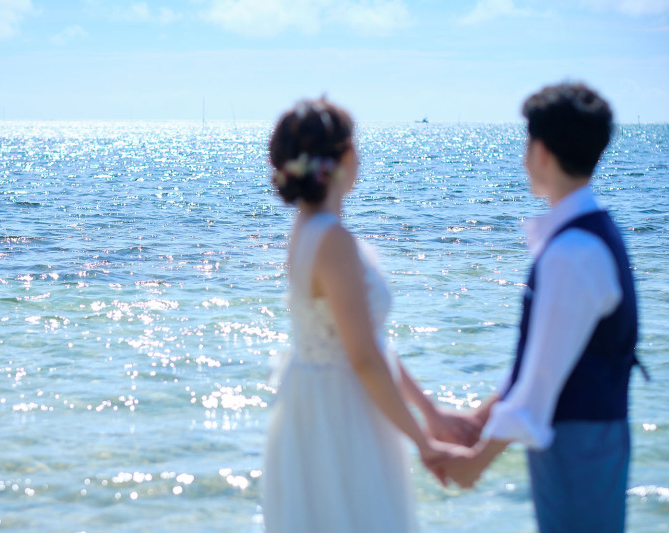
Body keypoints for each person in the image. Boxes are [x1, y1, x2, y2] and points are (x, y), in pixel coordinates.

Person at [262, 98, 477, 533]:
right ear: (340, 160)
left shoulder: (306, 231)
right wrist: (423, 442)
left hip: (319, 403)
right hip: (342, 412)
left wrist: (430, 413)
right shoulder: (333, 241)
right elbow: (363, 357)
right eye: (354, 144)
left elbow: (368, 343)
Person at [439, 82, 642, 533]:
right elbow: (542, 364)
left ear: (543, 152)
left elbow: (538, 389)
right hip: (591, 436)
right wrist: (480, 418)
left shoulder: (570, 253)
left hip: (578, 445)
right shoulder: (593, 233)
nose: (523, 157)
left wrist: (477, 462)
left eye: (526, 144)